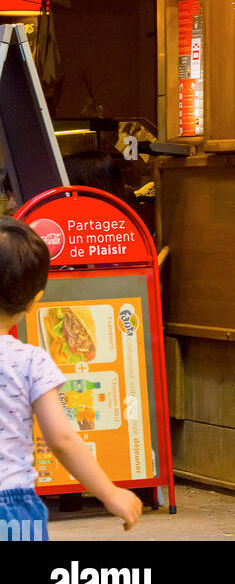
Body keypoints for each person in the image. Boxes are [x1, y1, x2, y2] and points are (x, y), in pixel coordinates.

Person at [0, 216, 142, 540]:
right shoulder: (30, 362)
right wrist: (109, 492)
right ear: (36, 300)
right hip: (11, 506)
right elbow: (62, 440)